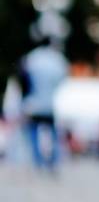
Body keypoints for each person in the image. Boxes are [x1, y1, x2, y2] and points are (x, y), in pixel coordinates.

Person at [19, 38, 69, 174]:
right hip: (50, 104)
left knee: (34, 133)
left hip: (33, 103)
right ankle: (53, 161)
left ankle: (38, 162)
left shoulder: (32, 58)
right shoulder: (57, 59)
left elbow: (24, 78)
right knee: (53, 134)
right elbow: (63, 79)